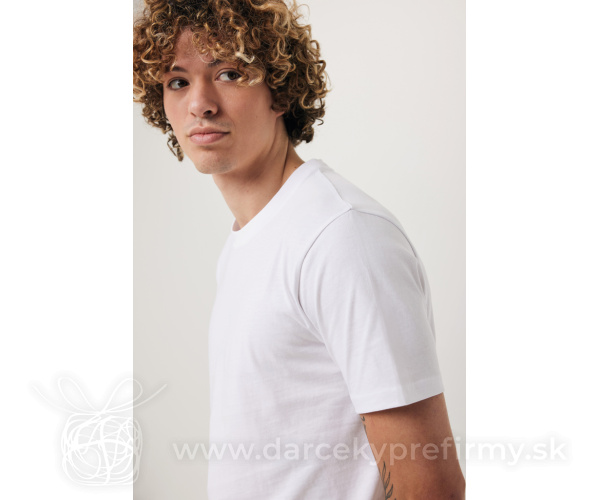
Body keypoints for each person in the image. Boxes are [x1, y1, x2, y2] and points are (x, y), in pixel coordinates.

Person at [133, 0, 466, 498]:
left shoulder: (341, 236)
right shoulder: (253, 238)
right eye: (178, 81)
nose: (200, 103)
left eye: (228, 73)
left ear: (280, 91)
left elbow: (431, 487)